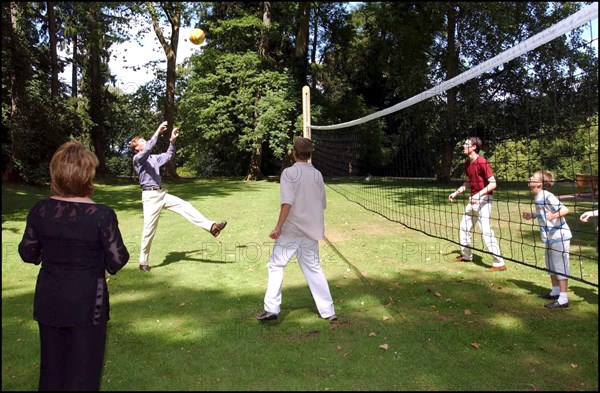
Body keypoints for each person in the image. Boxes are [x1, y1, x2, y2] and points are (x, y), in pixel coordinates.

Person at [18, 141, 130, 391]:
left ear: (56, 173)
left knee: (52, 371)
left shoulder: (40, 211)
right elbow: (118, 259)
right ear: (87, 174)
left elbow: (28, 252)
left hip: (51, 299)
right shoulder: (102, 216)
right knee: (84, 375)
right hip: (88, 304)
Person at [257, 137, 337, 323]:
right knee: (314, 269)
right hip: (310, 230)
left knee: (276, 265)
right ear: (310, 154)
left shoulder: (289, 173)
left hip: (292, 230)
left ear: (294, 153)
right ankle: (329, 312)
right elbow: (322, 204)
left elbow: (287, 203)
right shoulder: (317, 175)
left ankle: (271, 309)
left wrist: (278, 227)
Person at [130, 121, 227, 272]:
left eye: (145, 140)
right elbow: (149, 146)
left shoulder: (154, 158)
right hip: (150, 197)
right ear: (137, 148)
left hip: (161, 194)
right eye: (142, 141)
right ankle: (143, 262)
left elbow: (168, 155)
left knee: (185, 205)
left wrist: (172, 141)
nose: (146, 142)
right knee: (149, 230)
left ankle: (211, 227)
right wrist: (157, 131)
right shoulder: (138, 160)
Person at [448, 136, 506, 272]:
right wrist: (456, 193)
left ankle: (499, 263)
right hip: (473, 199)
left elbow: (493, 183)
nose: (463, 146)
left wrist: (478, 195)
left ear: (474, 147)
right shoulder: (467, 163)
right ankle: (467, 256)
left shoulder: (482, 162)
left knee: (486, 231)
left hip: (484, 199)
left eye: (466, 144)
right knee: (464, 227)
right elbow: (468, 182)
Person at [522, 170, 572, 309]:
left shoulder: (548, 196)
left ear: (539, 183)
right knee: (551, 265)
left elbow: (565, 210)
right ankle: (555, 291)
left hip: (559, 236)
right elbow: (543, 213)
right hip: (549, 237)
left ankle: (563, 299)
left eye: (532, 177)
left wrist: (553, 216)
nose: (530, 177)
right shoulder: (538, 196)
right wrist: (532, 215)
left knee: (560, 265)